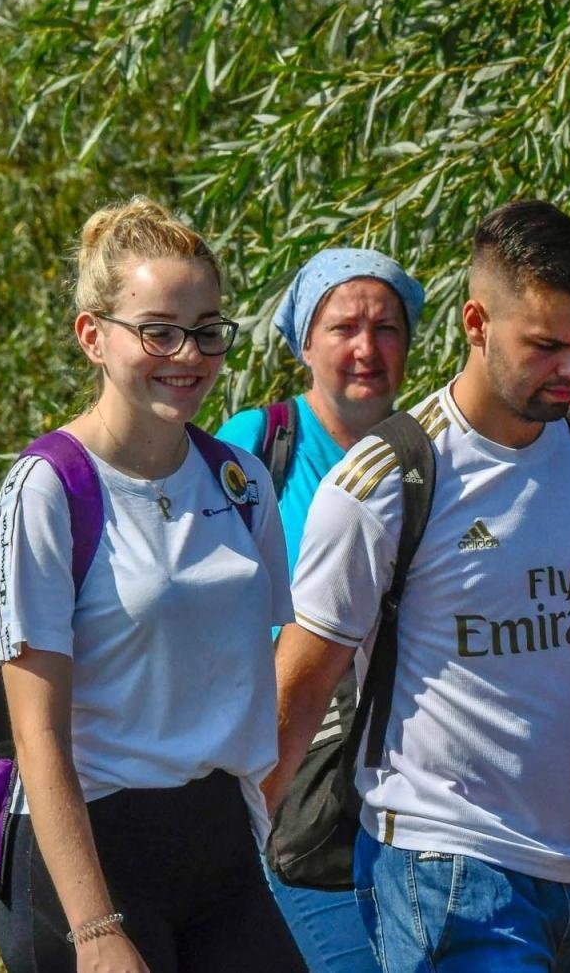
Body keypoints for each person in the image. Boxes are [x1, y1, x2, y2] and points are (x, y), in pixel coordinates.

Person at [263, 200, 570, 973]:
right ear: (476, 323)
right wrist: (226, 863)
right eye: (546, 346)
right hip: (442, 865)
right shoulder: (388, 479)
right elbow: (297, 690)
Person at [0, 197, 304, 971]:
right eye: (157, 330)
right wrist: (95, 931)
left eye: (206, 330)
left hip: (216, 844)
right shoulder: (48, 491)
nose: (186, 354)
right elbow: (37, 735)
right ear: (93, 336)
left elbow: (258, 663)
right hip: (89, 854)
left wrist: (259, 802)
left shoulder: (240, 480)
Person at [216, 248, 425, 973]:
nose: (366, 349)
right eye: (343, 328)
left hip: (405, 777)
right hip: (292, 774)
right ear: (305, 342)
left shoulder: (431, 455)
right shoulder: (258, 444)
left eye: (387, 328)